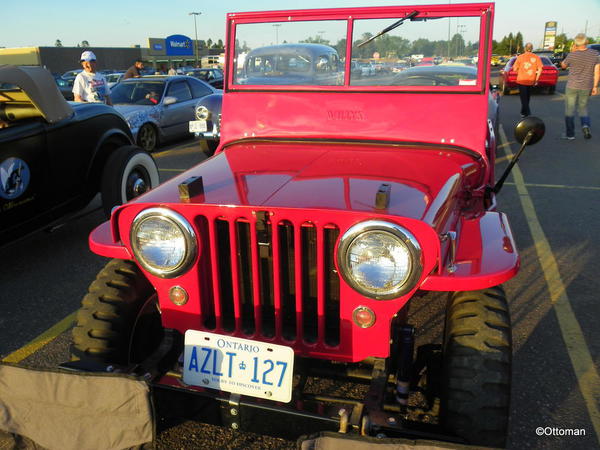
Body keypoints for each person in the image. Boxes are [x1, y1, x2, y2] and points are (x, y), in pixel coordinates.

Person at [560, 33, 600, 140]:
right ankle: (585, 125)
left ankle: (570, 134)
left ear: (576, 43)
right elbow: (597, 72)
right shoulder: (595, 54)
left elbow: (563, 65)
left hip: (572, 85)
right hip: (587, 86)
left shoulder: (572, 54)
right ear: (586, 42)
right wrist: (595, 86)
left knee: (570, 109)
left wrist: (570, 53)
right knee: (583, 108)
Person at [511, 43, 542, 118]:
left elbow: (514, 68)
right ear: (532, 49)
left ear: (525, 48)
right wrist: (536, 79)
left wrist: (519, 71)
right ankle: (523, 112)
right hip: (531, 80)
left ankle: (527, 112)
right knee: (527, 97)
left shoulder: (520, 57)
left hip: (521, 80)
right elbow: (540, 69)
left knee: (523, 97)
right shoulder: (536, 57)